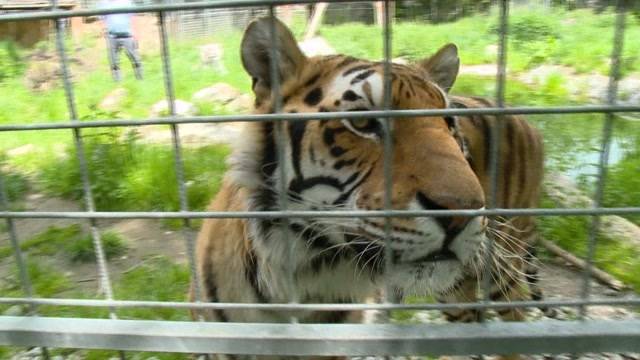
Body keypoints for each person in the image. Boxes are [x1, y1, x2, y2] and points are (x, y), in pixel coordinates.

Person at [97, 0, 143, 81]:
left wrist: (136, 32)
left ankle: (140, 79)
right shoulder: (103, 3)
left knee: (134, 58)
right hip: (112, 36)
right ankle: (117, 82)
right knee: (113, 61)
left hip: (128, 34)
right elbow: (101, 18)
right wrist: (104, 29)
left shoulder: (127, 2)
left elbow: (133, 17)